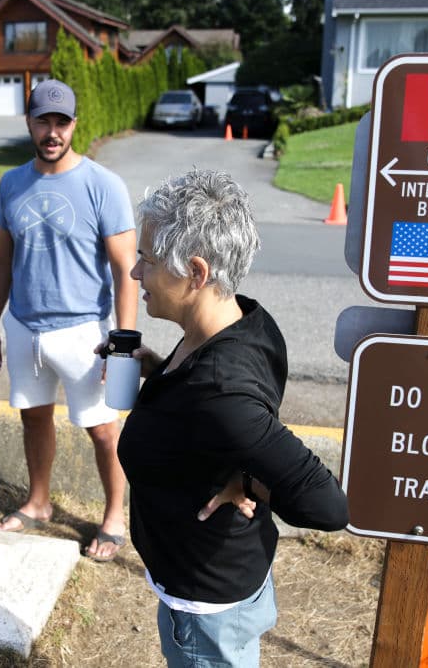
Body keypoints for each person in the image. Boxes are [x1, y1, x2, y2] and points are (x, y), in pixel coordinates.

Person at [117, 170, 349, 666]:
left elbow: (328, 506)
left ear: (196, 274)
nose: (136, 273)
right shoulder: (244, 320)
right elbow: (212, 410)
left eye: (147, 260)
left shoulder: (222, 394)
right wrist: (157, 370)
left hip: (207, 613)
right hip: (218, 580)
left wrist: (254, 481)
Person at [0, 79, 138, 562]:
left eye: (61, 122)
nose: (52, 132)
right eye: (43, 121)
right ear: (28, 122)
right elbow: (2, 261)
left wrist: (124, 344)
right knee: (34, 418)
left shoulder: (102, 185)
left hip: (85, 332)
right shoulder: (12, 183)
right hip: (26, 328)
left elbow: (126, 268)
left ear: (74, 124)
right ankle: (39, 501)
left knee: (104, 430)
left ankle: (115, 518)